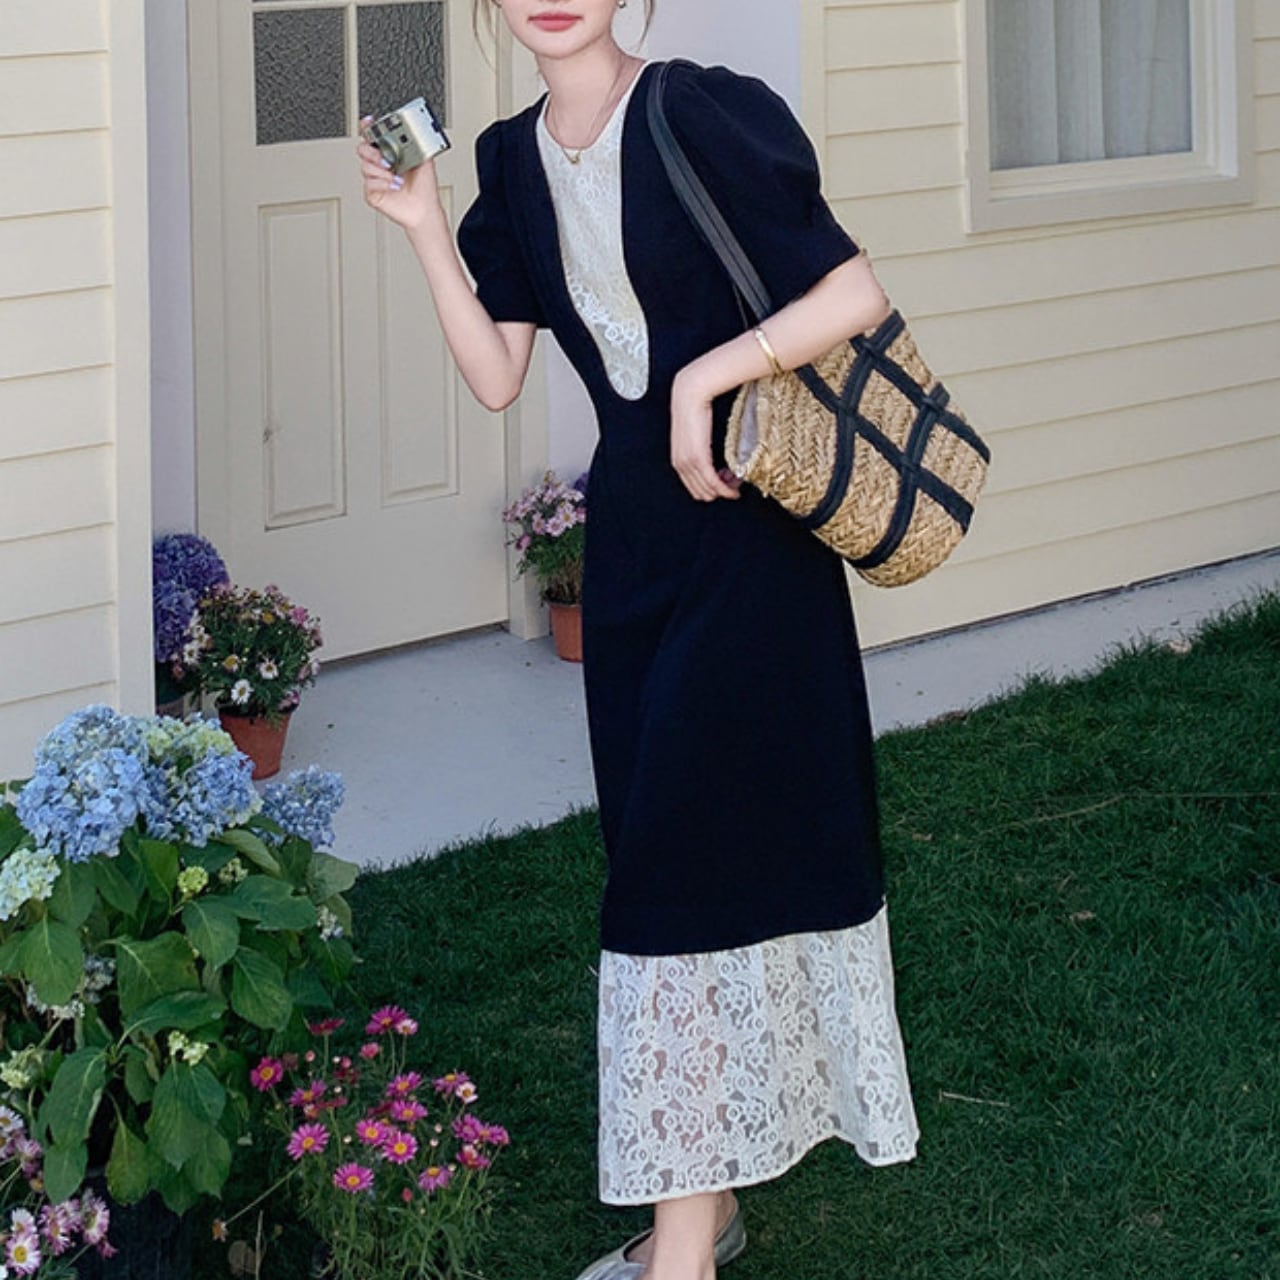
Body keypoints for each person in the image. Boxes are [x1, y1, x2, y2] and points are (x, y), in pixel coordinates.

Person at [357, 3, 920, 1278]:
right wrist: (425, 227)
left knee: (677, 876)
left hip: (749, 550)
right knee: (672, 867)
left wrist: (702, 377)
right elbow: (497, 374)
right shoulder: (508, 157)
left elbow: (851, 289)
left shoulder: (698, 109)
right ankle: (701, 1208)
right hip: (632, 565)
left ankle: (682, 1251)